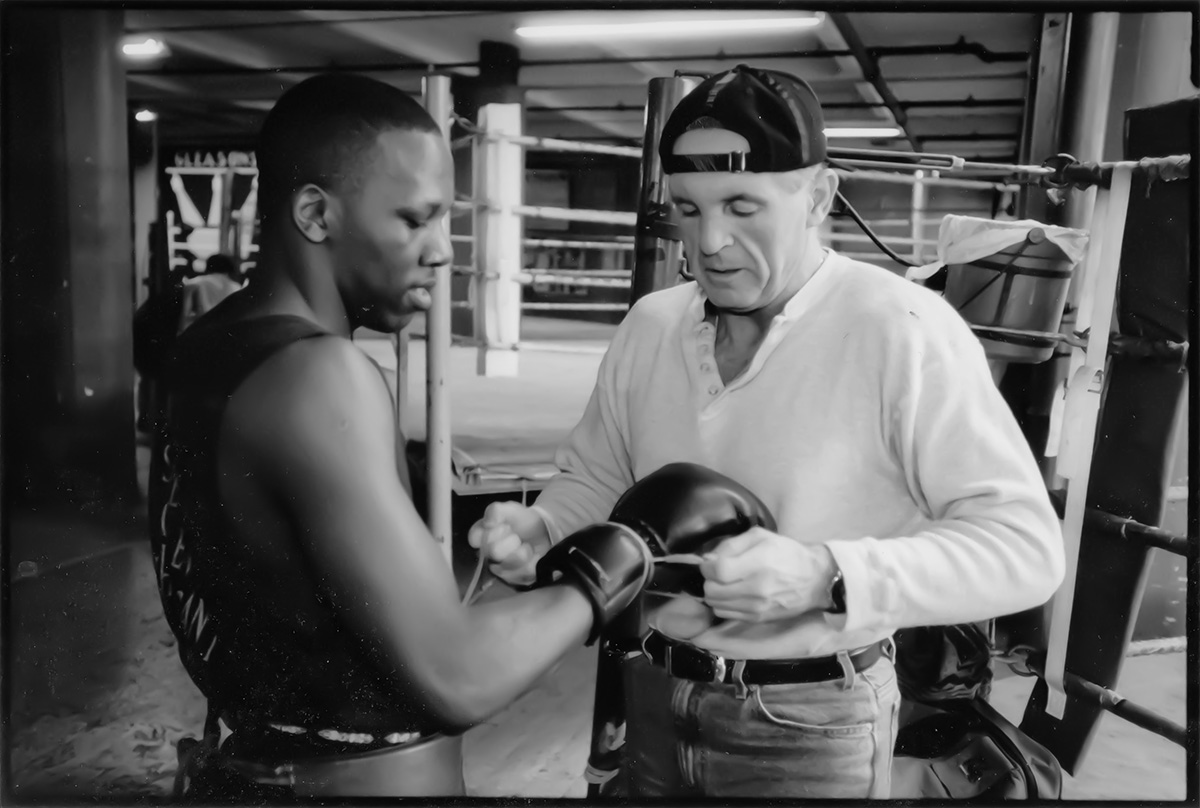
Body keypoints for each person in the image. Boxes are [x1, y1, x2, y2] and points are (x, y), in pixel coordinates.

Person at [469, 64, 1066, 799]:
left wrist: (827, 574)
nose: (709, 241)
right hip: (653, 695)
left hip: (809, 724)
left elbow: (1025, 550)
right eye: (687, 209)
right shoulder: (651, 326)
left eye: (742, 206)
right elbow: (597, 479)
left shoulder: (902, 329)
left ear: (818, 196)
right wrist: (542, 530)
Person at [147, 73, 664, 799]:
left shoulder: (206, 346)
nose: (443, 251)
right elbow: (457, 675)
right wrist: (628, 551)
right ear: (315, 214)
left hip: (257, 764)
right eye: (414, 220)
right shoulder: (319, 373)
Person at [177, 252, 244, 333]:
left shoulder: (194, 283)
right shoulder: (236, 287)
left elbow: (185, 316)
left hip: (201, 332)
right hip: (226, 333)